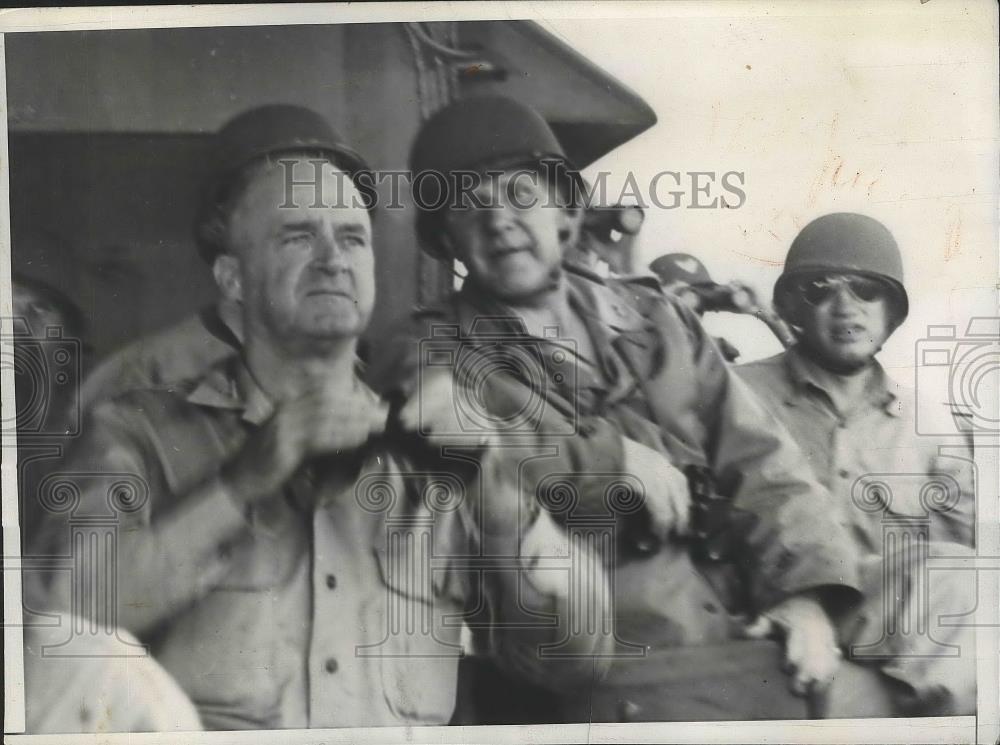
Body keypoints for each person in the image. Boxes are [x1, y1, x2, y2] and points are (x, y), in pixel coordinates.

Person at [29, 105, 611, 730]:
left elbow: (578, 657)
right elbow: (60, 628)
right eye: (298, 235)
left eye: (353, 237)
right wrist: (242, 482)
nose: (333, 258)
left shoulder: (436, 451)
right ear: (234, 278)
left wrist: (498, 493)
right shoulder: (137, 433)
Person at [370, 95, 867, 723]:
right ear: (447, 240)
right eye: (470, 204)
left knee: (945, 603)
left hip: (743, 623)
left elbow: (762, 463)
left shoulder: (658, 319)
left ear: (565, 212)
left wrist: (809, 597)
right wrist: (610, 465)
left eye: (521, 194)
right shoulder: (424, 350)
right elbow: (467, 453)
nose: (498, 220)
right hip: (604, 656)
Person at [737, 212, 977, 715]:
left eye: (867, 289)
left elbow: (966, 551)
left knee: (967, 575)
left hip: (892, 624)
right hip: (765, 606)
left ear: (892, 309)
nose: (845, 308)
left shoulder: (929, 424)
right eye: (820, 289)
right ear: (792, 307)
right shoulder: (735, 395)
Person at [649, 252, 794, 360]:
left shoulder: (714, 354)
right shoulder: (635, 351)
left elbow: (809, 370)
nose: (690, 311)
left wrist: (763, 313)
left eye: (700, 302)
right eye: (678, 298)